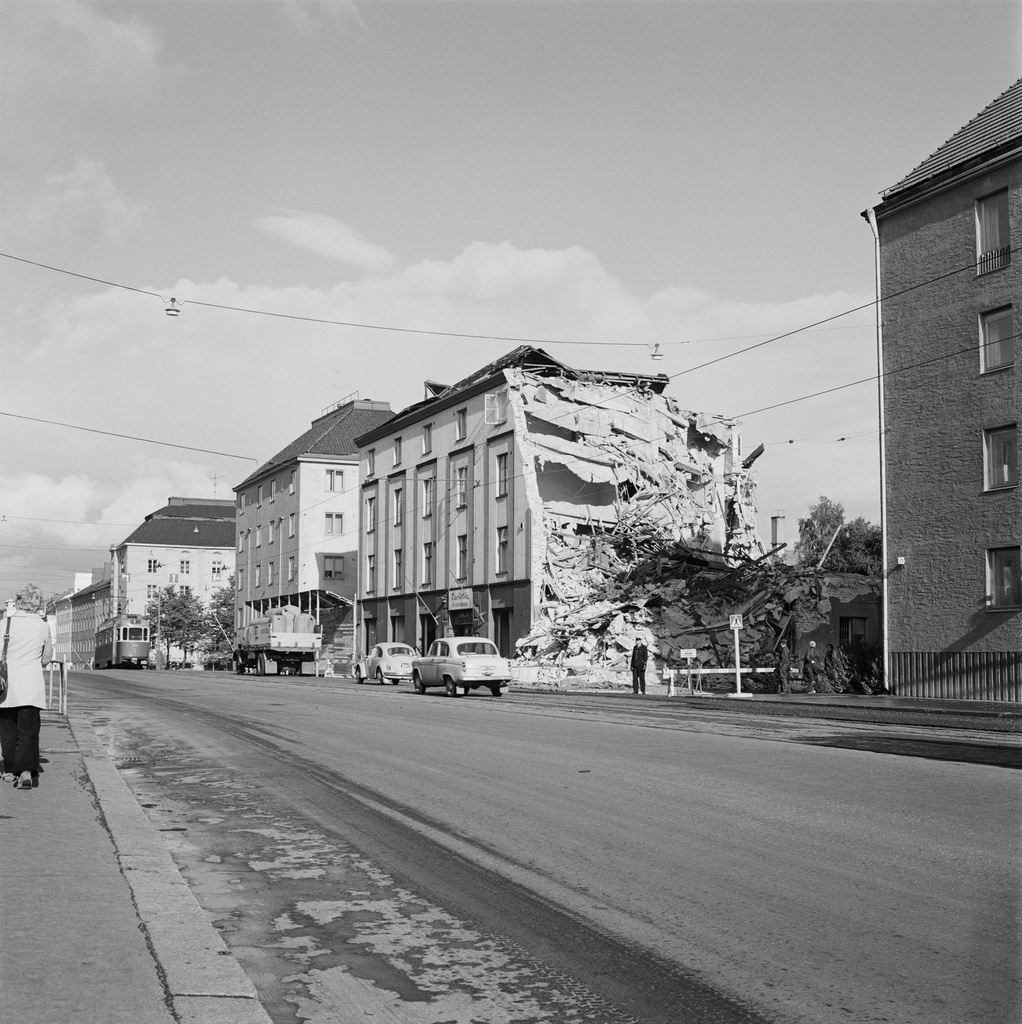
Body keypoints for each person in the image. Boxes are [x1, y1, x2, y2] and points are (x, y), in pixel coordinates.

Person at [0, 584, 53, 790]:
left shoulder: (4, 623)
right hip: (30, 686)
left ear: (19, 601)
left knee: (7, 729)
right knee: (28, 731)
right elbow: (46, 657)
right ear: (38, 603)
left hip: (6, 687)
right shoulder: (42, 626)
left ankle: (9, 769)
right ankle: (25, 772)